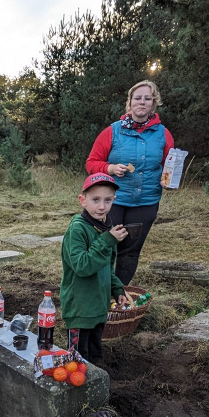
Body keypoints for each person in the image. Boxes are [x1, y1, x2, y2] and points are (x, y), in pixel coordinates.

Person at [85, 79, 175, 287]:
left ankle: (118, 294)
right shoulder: (113, 131)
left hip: (146, 202)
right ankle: (99, 293)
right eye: (137, 98)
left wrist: (168, 180)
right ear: (130, 103)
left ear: (154, 103)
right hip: (111, 202)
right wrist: (110, 169)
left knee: (130, 251)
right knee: (105, 247)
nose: (142, 102)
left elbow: (169, 165)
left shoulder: (163, 134)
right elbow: (91, 163)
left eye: (147, 98)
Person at [60, 173, 130, 362]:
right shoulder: (77, 229)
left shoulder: (106, 227)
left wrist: (116, 287)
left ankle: (97, 386)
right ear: (83, 200)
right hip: (80, 309)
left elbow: (107, 264)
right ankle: (79, 390)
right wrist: (107, 241)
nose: (102, 206)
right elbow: (82, 266)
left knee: (95, 354)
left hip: (98, 307)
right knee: (78, 360)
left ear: (114, 200)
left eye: (108, 200)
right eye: (95, 199)